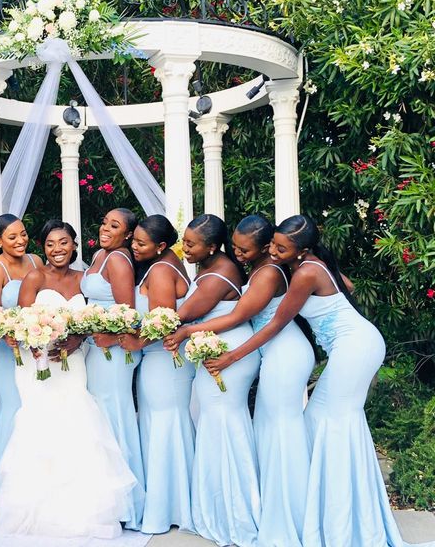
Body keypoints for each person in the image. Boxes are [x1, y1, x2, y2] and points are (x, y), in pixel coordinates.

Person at [204, 215, 422, 547]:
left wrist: (231, 357)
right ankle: (338, 517)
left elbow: (276, 323)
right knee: (328, 423)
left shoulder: (305, 272)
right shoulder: (312, 265)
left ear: (302, 250)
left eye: (281, 248)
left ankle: (340, 525)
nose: (273, 252)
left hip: (354, 347)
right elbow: (344, 286)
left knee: (329, 423)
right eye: (273, 244)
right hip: (355, 345)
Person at [167, 215, 313, 546]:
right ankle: (262, 508)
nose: (237, 253)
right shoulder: (259, 269)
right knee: (262, 430)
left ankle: (274, 513)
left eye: (243, 249)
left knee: (279, 432)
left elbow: (238, 316)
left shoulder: (269, 273)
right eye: (234, 246)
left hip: (282, 352)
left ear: (264, 247)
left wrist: (189, 331)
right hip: (265, 351)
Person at [0, 220, 136, 539]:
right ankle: (35, 506)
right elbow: (21, 321)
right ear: (43, 248)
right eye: (50, 244)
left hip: (73, 363)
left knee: (77, 418)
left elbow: (87, 322)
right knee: (40, 422)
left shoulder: (84, 280)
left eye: (64, 242)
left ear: (74, 245)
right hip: (37, 363)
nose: (57, 249)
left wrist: (76, 340)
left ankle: (78, 507)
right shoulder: (34, 277)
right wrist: (40, 342)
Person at [163, 214, 261, 547]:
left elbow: (185, 314)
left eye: (190, 244)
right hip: (215, 351)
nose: (184, 248)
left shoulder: (219, 274)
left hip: (227, 355)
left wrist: (138, 329)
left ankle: (237, 515)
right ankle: (217, 509)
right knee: (215, 426)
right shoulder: (209, 265)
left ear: (212, 247)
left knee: (224, 425)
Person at [116, 214, 194, 534]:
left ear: (161, 246)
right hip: (163, 360)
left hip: (164, 359)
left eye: (140, 243)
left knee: (164, 428)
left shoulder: (161, 270)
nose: (133, 246)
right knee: (163, 426)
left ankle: (166, 511)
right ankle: (172, 505)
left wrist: (136, 340)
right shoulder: (169, 262)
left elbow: (165, 322)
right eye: (133, 239)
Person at [80, 208, 144, 530]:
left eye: (114, 225)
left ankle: (125, 504)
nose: (106, 228)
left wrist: (111, 336)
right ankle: (104, 497)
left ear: (128, 234)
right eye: (104, 221)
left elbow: (128, 314)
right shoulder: (99, 255)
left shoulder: (118, 260)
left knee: (113, 412)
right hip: (96, 347)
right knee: (100, 415)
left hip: (114, 352)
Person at [0, 214, 41, 505]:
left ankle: (32, 479)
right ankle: (4, 490)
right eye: (12, 237)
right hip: (5, 351)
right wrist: (12, 333)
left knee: (33, 407)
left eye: (23, 234)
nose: (20, 241)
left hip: (34, 347)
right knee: (13, 407)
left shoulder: (35, 262)